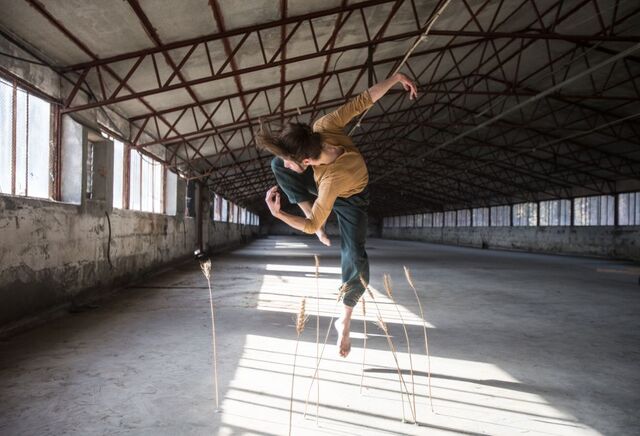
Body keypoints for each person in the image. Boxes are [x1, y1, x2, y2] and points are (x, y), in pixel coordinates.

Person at [258, 72, 418, 357]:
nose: (288, 164)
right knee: (276, 165)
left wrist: (279, 214)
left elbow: (309, 227)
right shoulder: (323, 126)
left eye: (292, 161)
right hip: (322, 187)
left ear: (305, 161)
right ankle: (311, 208)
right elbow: (364, 100)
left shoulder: (332, 178)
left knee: (354, 255)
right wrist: (395, 79)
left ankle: (344, 318)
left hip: (352, 198)